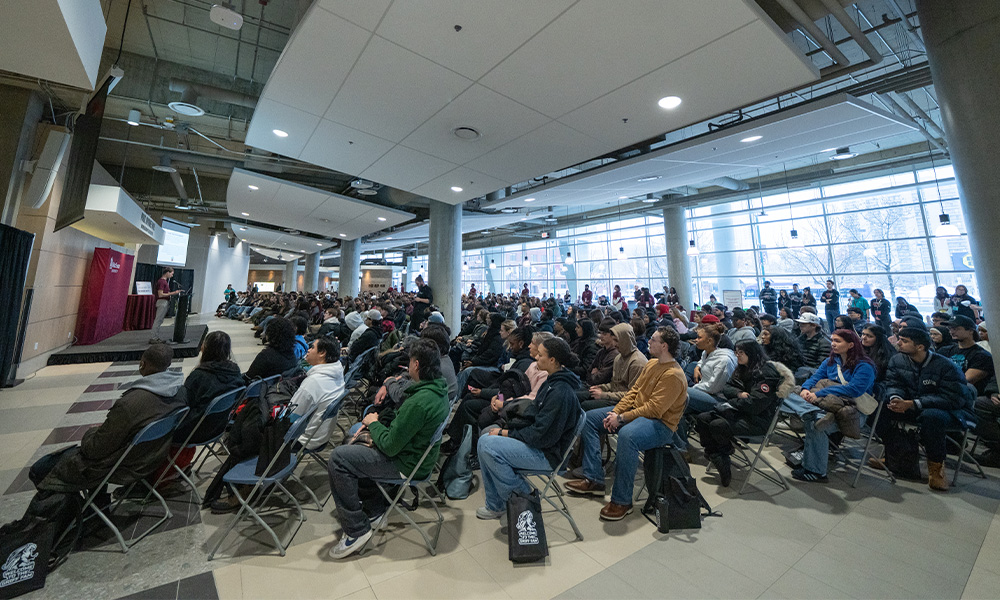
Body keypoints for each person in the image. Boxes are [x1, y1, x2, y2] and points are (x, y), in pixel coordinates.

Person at [14, 345, 186, 531]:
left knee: (40, 469)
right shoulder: (180, 392)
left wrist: (89, 433)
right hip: (154, 457)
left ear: (142, 364)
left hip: (123, 466)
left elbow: (96, 450)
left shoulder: (130, 404)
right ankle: (96, 509)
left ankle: (63, 521)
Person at [326, 339, 449, 558]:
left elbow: (391, 447)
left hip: (406, 464)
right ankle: (374, 510)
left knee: (339, 458)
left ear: (417, 365)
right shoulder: (438, 389)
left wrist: (373, 423)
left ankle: (356, 530)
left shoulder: (419, 402)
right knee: (354, 447)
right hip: (417, 456)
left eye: (410, 362)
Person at [566, 327, 688, 520]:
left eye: (654, 340)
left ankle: (622, 500)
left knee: (627, 435)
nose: (648, 341)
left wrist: (621, 418)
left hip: (661, 425)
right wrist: (615, 412)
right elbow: (634, 393)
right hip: (638, 416)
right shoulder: (652, 364)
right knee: (589, 419)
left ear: (664, 346)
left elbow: (654, 409)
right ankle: (594, 477)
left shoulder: (673, 374)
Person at [476, 338, 582, 520]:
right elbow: (535, 416)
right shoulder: (553, 381)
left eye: (541, 355)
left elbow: (541, 436)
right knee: (485, 440)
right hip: (541, 444)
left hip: (548, 455)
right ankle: (496, 505)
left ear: (553, 360)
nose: (536, 358)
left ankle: (525, 496)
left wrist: (506, 433)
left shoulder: (560, 392)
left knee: (487, 446)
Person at [877, 327, 975, 491]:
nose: (898, 343)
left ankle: (936, 469)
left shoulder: (946, 366)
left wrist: (914, 403)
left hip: (950, 411)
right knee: (879, 409)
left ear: (920, 347)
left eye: (904, 341)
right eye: (899, 339)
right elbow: (894, 384)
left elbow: (953, 399)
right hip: (913, 405)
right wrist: (896, 399)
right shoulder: (898, 360)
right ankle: (895, 454)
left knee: (932, 417)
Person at [695, 340, 792, 486]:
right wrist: (739, 394)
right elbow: (727, 388)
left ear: (751, 353)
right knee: (702, 418)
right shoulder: (742, 368)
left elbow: (755, 405)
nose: (737, 356)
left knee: (717, 425)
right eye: (736, 352)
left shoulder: (766, 373)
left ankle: (722, 458)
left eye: (741, 352)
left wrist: (733, 402)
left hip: (758, 420)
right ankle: (718, 454)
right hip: (740, 411)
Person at [291, 337, 346, 450]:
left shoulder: (313, 382)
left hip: (303, 440)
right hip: (321, 435)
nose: (308, 350)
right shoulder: (337, 371)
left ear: (322, 353)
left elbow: (291, 417)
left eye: (312, 347)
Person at [586, 322, 648, 410]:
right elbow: (615, 384)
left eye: (617, 340)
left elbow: (633, 395)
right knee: (583, 396)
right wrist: (602, 387)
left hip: (626, 404)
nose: (614, 344)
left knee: (586, 406)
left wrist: (604, 395)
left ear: (626, 340)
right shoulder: (619, 357)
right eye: (614, 340)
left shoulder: (637, 362)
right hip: (614, 396)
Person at [685, 322, 738, 416]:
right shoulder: (706, 352)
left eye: (699, 338)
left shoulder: (724, 361)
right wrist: (697, 367)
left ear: (709, 341)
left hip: (717, 398)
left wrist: (693, 388)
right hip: (703, 389)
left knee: (682, 392)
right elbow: (702, 360)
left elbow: (713, 388)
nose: (696, 340)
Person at [942, 316, 995, 396]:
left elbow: (965, 381)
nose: (951, 331)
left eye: (956, 328)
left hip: (967, 397)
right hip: (946, 393)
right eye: (950, 328)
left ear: (970, 331)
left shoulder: (982, 356)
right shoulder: (944, 351)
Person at [794, 312, 831, 383]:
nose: (800, 326)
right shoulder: (800, 339)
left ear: (814, 325)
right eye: (800, 324)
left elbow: (821, 367)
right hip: (800, 372)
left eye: (804, 324)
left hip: (812, 376)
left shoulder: (824, 343)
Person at [150, 267, 183, 343]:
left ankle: (155, 337)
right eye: (171, 273)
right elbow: (160, 294)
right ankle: (153, 337)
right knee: (158, 320)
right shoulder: (162, 282)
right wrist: (174, 293)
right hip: (162, 302)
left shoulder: (164, 282)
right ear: (167, 272)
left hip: (164, 302)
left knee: (160, 320)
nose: (172, 275)